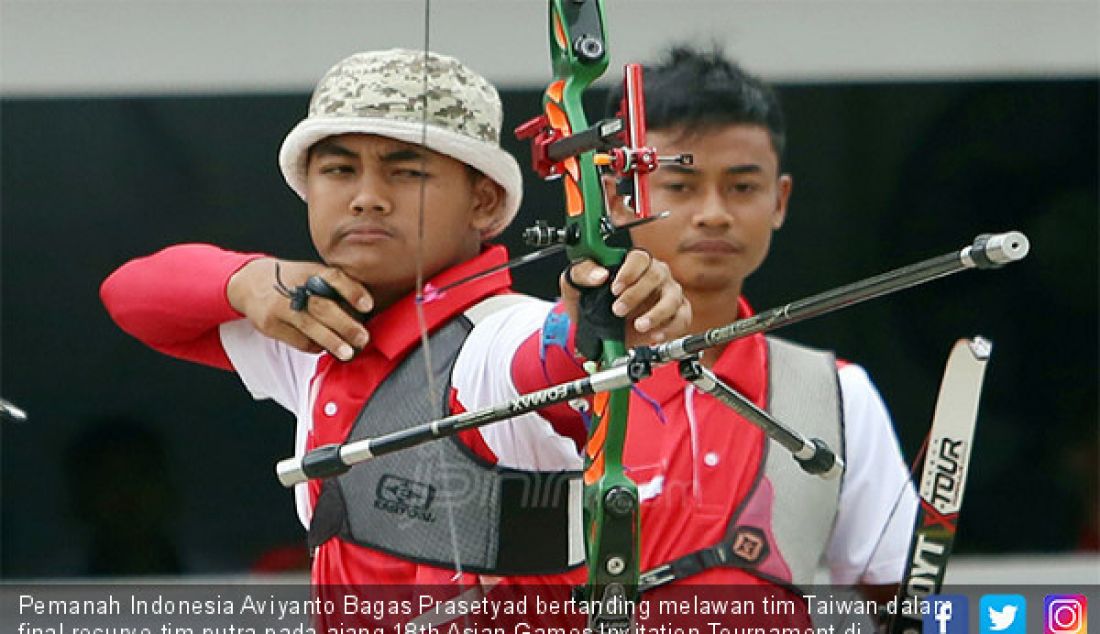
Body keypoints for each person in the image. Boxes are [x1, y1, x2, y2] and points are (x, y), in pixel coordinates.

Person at [100, 48, 690, 623]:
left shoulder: (493, 338)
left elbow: (553, 353)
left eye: (406, 171)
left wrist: (611, 316)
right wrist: (247, 282)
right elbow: (131, 297)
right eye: (338, 169)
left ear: (483, 200)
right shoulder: (319, 330)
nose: (366, 197)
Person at [596, 46, 919, 610]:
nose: (715, 213)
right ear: (620, 200)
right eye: (680, 186)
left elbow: (898, 599)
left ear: (780, 199)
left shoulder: (837, 394)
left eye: (743, 187)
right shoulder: (539, 372)